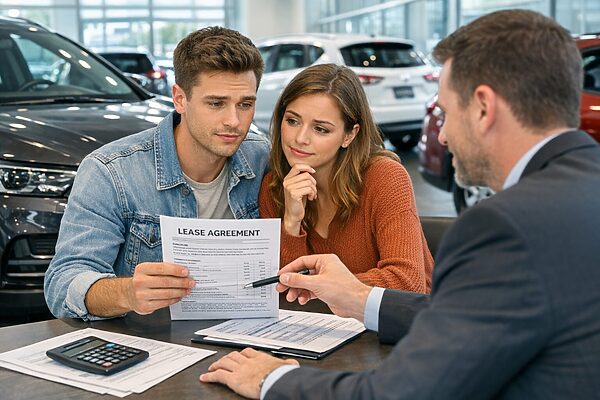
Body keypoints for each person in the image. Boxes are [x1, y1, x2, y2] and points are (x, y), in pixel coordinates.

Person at [199, 10, 600, 399]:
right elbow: (467, 323)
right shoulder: (584, 184)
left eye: (445, 112)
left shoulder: (504, 226)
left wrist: (273, 379)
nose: (441, 138)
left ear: (483, 107)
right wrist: (359, 296)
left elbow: (401, 391)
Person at [44, 26, 269, 320]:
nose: (234, 121)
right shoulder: (111, 172)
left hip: (243, 334)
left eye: (246, 104)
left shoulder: (260, 156)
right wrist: (127, 293)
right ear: (179, 99)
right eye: (216, 103)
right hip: (151, 342)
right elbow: (62, 284)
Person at [259, 63, 433, 291]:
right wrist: (292, 223)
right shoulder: (274, 187)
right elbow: (285, 291)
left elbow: (407, 283)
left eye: (320, 129)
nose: (300, 138)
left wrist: (323, 287)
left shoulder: (385, 177)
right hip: (317, 325)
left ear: (349, 135)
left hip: (403, 322)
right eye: (292, 121)